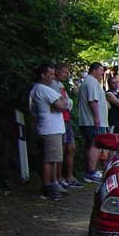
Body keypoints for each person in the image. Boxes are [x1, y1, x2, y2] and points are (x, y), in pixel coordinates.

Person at [29, 65, 70, 201]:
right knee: (50, 160)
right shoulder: (43, 89)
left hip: (48, 127)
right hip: (51, 128)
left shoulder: (36, 89)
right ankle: (49, 187)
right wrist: (63, 99)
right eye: (51, 74)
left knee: (53, 159)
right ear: (43, 75)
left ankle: (52, 184)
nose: (53, 77)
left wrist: (62, 102)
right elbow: (63, 105)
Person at [51, 63, 82, 189]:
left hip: (66, 119)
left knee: (71, 148)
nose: (66, 74)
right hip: (60, 120)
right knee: (61, 150)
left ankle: (68, 176)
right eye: (64, 72)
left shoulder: (60, 85)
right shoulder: (52, 86)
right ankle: (59, 178)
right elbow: (63, 103)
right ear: (57, 71)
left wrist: (67, 102)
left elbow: (69, 102)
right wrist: (67, 102)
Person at [78, 62, 109, 183]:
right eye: (101, 70)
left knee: (91, 145)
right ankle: (91, 172)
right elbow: (93, 101)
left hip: (91, 121)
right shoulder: (91, 82)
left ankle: (91, 170)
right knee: (95, 145)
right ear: (94, 70)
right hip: (92, 121)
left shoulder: (89, 82)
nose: (102, 73)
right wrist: (97, 118)